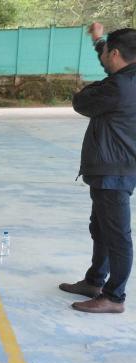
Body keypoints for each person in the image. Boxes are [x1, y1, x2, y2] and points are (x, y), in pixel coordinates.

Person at [58, 24, 136, 314]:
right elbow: (112, 67)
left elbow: (81, 102)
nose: (101, 55)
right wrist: (97, 40)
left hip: (113, 170)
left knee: (116, 235)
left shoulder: (118, 86)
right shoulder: (127, 78)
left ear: (115, 54)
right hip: (117, 167)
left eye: (104, 51)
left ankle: (114, 297)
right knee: (101, 228)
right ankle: (94, 281)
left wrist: (84, 90)